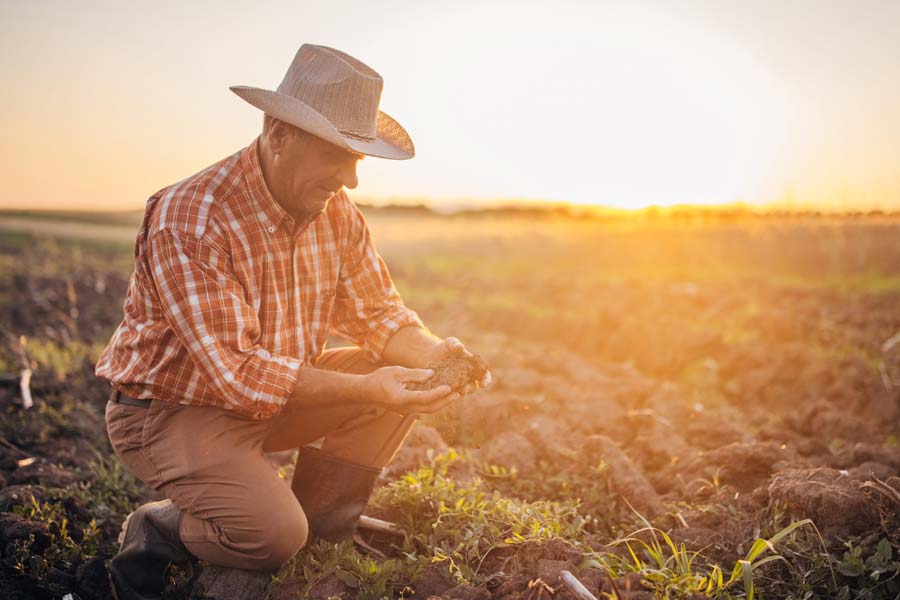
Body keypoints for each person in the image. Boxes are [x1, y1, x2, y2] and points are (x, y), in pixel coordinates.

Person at [96, 43, 490, 600]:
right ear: (278, 134)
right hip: (174, 411)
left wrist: (440, 359)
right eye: (337, 154)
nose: (352, 178)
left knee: (394, 367)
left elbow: (379, 316)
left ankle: (323, 543)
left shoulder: (334, 212)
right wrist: (367, 387)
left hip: (273, 398)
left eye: (358, 157)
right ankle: (159, 528)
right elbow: (234, 373)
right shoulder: (192, 218)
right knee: (271, 535)